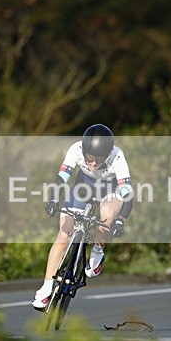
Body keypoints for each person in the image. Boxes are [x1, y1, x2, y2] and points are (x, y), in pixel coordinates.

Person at [32, 124, 133, 310]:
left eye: (100, 160)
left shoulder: (117, 156)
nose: (94, 164)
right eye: (90, 158)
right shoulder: (75, 149)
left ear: (108, 154)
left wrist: (121, 220)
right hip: (83, 188)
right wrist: (53, 200)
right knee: (64, 233)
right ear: (84, 150)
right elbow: (61, 179)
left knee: (107, 215)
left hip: (110, 191)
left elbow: (128, 196)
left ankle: (97, 250)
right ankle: (46, 287)